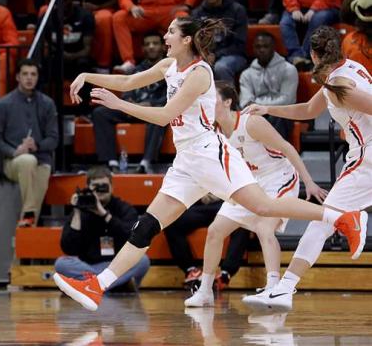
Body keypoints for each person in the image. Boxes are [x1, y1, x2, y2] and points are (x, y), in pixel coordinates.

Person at [53, 16, 366, 312]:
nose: (165, 37)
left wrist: (119, 105)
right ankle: (98, 285)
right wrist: (87, 75)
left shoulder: (201, 73)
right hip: (187, 160)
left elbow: (163, 116)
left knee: (264, 208)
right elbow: (130, 79)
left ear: (186, 39)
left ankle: (341, 218)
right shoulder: (168, 65)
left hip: (210, 154)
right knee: (146, 226)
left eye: (171, 32)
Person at [242, 26, 372, 311]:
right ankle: (284, 289)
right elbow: (309, 111)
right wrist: (267, 109)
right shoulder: (348, 70)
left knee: (323, 220)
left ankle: (285, 288)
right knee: (322, 222)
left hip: (367, 158)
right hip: (364, 155)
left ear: (313, 55)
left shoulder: (341, 87)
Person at [185, 81, 327, 307]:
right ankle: (205, 291)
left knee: (263, 226)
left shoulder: (251, 122)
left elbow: (287, 148)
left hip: (278, 177)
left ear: (228, 102)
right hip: (248, 182)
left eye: (212, 99)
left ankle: (273, 288)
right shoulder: (214, 133)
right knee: (214, 231)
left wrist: (309, 183)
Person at [54, 166, 150, 291]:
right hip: (88, 265)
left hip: (117, 266)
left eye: (104, 186)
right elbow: (68, 248)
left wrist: (104, 214)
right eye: (96, 186)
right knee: (61, 263)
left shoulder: (124, 208)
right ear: (88, 188)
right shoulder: (81, 210)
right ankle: (111, 285)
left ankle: (92, 286)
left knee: (142, 260)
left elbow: (132, 237)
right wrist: (77, 212)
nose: (100, 190)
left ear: (111, 187)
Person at [0, 59, 59, 227]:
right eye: (25, 74)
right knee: (27, 160)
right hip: (13, 161)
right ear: (17, 77)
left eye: (33, 74)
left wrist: (37, 145)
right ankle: (29, 211)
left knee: (30, 219)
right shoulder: (4, 103)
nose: (29, 78)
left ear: (37, 78)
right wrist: (15, 151)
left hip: (42, 160)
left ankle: (22, 244)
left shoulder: (47, 103)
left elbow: (54, 138)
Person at [92, 32, 167, 173]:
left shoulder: (170, 70)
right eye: (147, 44)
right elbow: (126, 93)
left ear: (163, 47)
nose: (151, 47)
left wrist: (150, 105)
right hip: (131, 109)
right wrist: (130, 104)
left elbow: (171, 97)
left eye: (155, 43)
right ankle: (111, 162)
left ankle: (146, 163)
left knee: (160, 113)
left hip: (153, 112)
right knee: (100, 113)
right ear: (142, 49)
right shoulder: (135, 70)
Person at [164, 193, 251, 291]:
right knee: (171, 221)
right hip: (197, 205)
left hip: (224, 204)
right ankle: (190, 270)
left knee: (241, 221)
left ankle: (225, 273)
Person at [239, 32, 298, 139]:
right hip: (257, 114)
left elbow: (287, 100)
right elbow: (245, 102)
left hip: (282, 114)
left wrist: (262, 107)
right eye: (258, 47)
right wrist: (258, 108)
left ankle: (276, 153)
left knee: (279, 116)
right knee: (244, 116)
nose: (261, 50)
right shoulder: (246, 74)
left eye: (266, 46)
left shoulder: (288, 69)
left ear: (273, 48)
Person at [192, 0, 248, 83]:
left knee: (221, 67)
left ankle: (228, 99)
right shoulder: (196, 14)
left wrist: (216, 55)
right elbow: (195, 42)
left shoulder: (237, 10)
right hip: (206, 55)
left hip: (233, 55)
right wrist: (204, 55)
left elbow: (239, 44)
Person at [45, 0, 95, 79]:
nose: (62, 5)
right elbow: (45, 45)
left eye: (65, 1)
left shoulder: (85, 16)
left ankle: (85, 93)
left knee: (84, 65)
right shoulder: (47, 18)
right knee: (44, 63)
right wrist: (58, 53)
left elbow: (87, 49)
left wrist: (71, 56)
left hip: (77, 56)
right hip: (56, 56)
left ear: (71, 2)